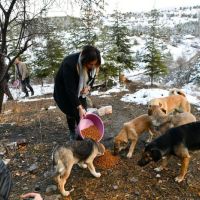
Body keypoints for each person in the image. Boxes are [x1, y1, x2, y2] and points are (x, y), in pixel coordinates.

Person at [54, 45, 101, 140]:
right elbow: (69, 89)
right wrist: (79, 107)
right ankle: (72, 131)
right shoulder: (69, 64)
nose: (92, 67)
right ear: (84, 61)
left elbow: (92, 77)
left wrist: (88, 87)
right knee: (71, 111)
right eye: (90, 65)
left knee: (83, 112)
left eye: (94, 65)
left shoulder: (94, 64)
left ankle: (81, 133)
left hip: (80, 92)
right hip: (64, 92)